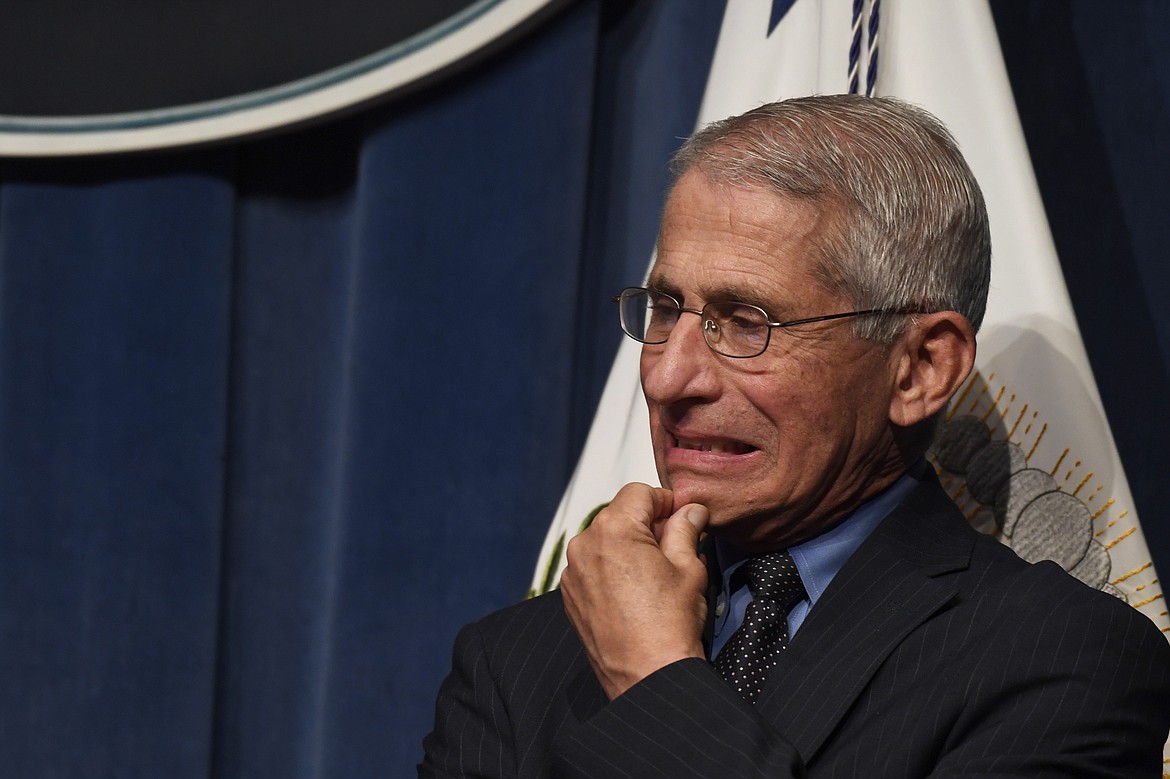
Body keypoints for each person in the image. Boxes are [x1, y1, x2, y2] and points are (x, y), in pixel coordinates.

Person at [418, 95, 1170, 778]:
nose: (669, 377)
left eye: (746, 323)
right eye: (666, 308)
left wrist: (655, 684)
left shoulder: (1058, 660)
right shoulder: (515, 661)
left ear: (920, 369)